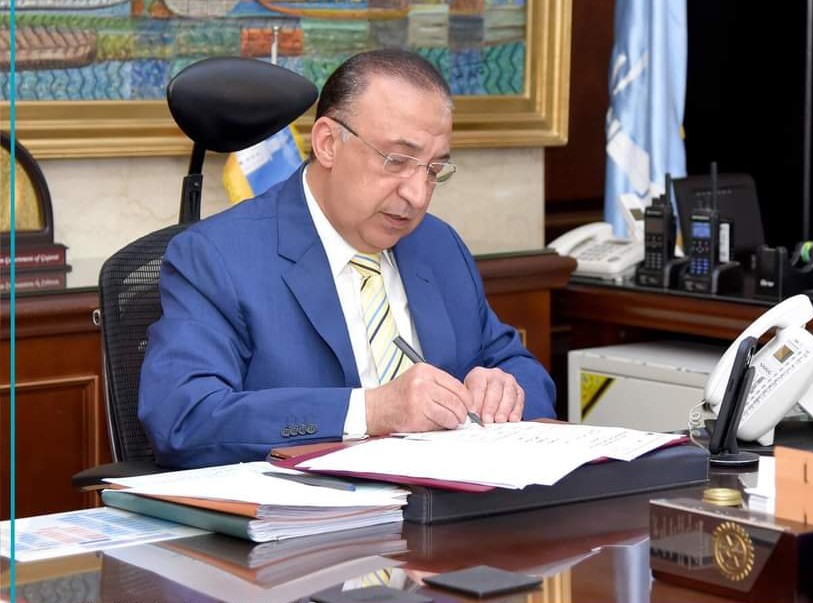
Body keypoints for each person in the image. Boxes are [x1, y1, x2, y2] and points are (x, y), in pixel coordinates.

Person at [139, 49, 556, 468]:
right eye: (397, 160)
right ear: (328, 144)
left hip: (449, 497)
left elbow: (524, 372)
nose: (417, 195)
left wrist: (503, 391)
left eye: (433, 170)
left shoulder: (437, 245)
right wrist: (370, 411)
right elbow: (184, 419)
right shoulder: (218, 256)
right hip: (308, 505)